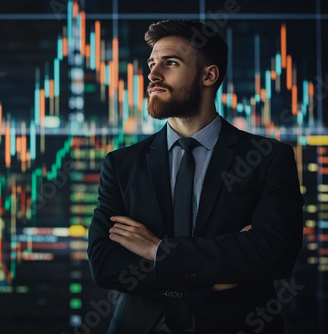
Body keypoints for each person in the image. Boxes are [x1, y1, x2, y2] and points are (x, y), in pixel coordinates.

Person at [87, 20, 303, 334]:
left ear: (208, 75)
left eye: (170, 63)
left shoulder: (268, 158)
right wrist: (208, 280)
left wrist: (158, 251)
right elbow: (106, 265)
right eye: (152, 63)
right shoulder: (122, 164)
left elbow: (274, 254)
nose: (153, 75)